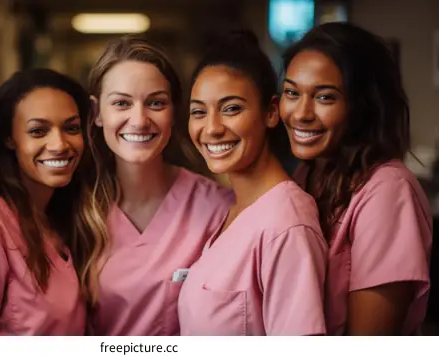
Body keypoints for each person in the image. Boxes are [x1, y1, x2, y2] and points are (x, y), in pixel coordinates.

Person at [280, 22, 432, 335]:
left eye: (324, 97)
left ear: (363, 106)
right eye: (292, 92)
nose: (301, 113)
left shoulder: (387, 190)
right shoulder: (308, 171)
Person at [176, 30, 327, 336]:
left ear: (271, 112)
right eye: (198, 112)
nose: (212, 128)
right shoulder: (234, 210)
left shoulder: (286, 224)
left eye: (231, 109)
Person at [0, 68, 108, 335]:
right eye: (38, 131)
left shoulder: (58, 214)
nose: (59, 144)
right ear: (9, 138)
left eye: (71, 128)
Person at [86, 35, 234, 336]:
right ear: (97, 112)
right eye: (121, 103)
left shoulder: (219, 209)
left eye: (156, 103)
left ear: (174, 112)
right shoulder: (78, 211)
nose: (139, 120)